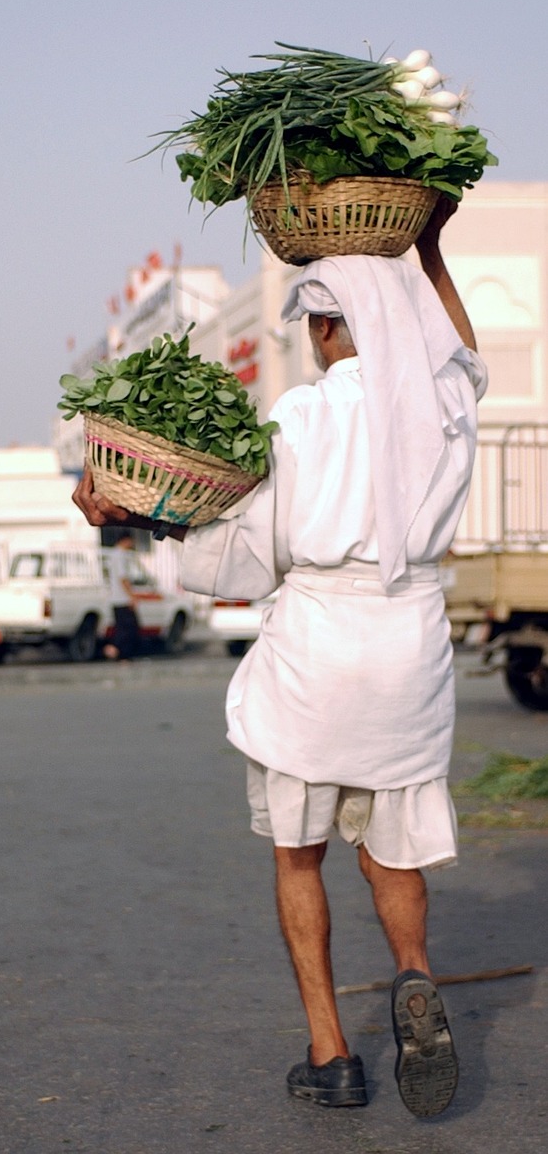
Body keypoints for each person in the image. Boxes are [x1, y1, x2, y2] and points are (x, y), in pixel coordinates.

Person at [72, 197, 487, 1118]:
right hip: (410, 650)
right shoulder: (445, 402)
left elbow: (239, 549)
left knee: (299, 856)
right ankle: (414, 974)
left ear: (329, 325)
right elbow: (459, 345)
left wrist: (129, 509)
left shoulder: (299, 418)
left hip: (316, 654)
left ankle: (332, 1051)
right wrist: (429, 243)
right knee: (392, 848)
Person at [102, 531, 140, 662]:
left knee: (122, 628)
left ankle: (118, 652)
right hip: (122, 598)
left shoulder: (112, 555)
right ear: (126, 540)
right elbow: (123, 578)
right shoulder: (120, 556)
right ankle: (118, 652)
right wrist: (132, 596)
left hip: (115, 598)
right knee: (130, 628)